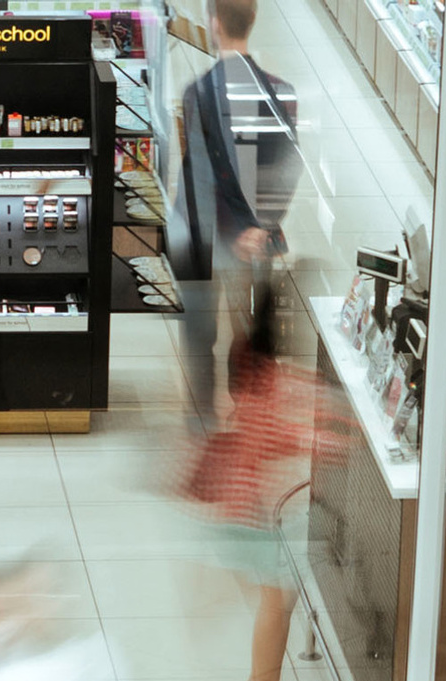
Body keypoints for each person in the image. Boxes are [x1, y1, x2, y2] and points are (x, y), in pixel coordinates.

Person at [182, 293, 321, 681]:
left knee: (277, 596)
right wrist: (335, 441)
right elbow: (282, 438)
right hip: (253, 514)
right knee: (278, 598)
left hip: (242, 512)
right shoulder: (270, 384)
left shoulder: (251, 369)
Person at [171, 0, 297, 421]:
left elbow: (199, 175)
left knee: (200, 334)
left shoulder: (196, 93)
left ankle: (203, 417)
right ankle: (247, 418)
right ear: (254, 19)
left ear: (213, 23)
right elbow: (288, 167)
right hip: (254, 245)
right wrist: (262, 226)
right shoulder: (282, 93)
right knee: (248, 332)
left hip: (206, 239)